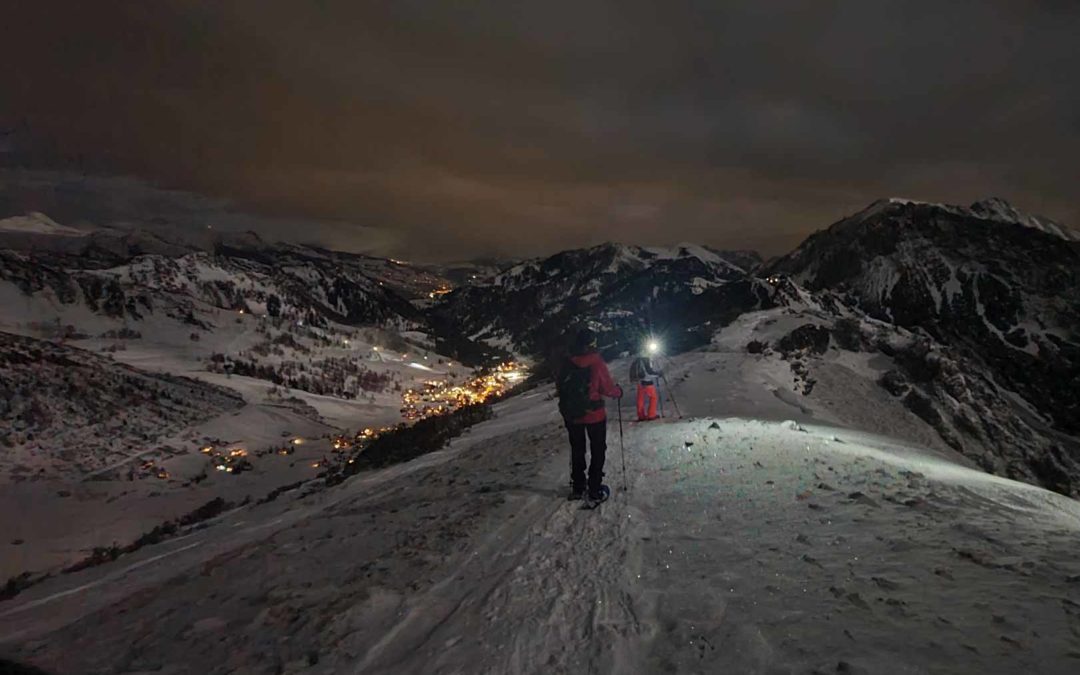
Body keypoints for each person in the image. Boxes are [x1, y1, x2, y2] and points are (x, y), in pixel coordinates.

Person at [556, 327, 622, 501]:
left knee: (577, 449)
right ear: (592, 343)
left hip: (573, 415)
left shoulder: (567, 361)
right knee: (597, 449)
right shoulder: (596, 361)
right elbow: (607, 388)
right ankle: (594, 487)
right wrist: (618, 392)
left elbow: (561, 386)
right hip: (594, 414)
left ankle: (578, 486)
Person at [630, 351, 662, 421]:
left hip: (640, 382)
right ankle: (651, 415)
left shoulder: (638, 359)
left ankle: (641, 416)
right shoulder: (646, 359)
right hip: (647, 382)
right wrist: (658, 374)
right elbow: (648, 373)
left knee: (640, 399)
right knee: (654, 398)